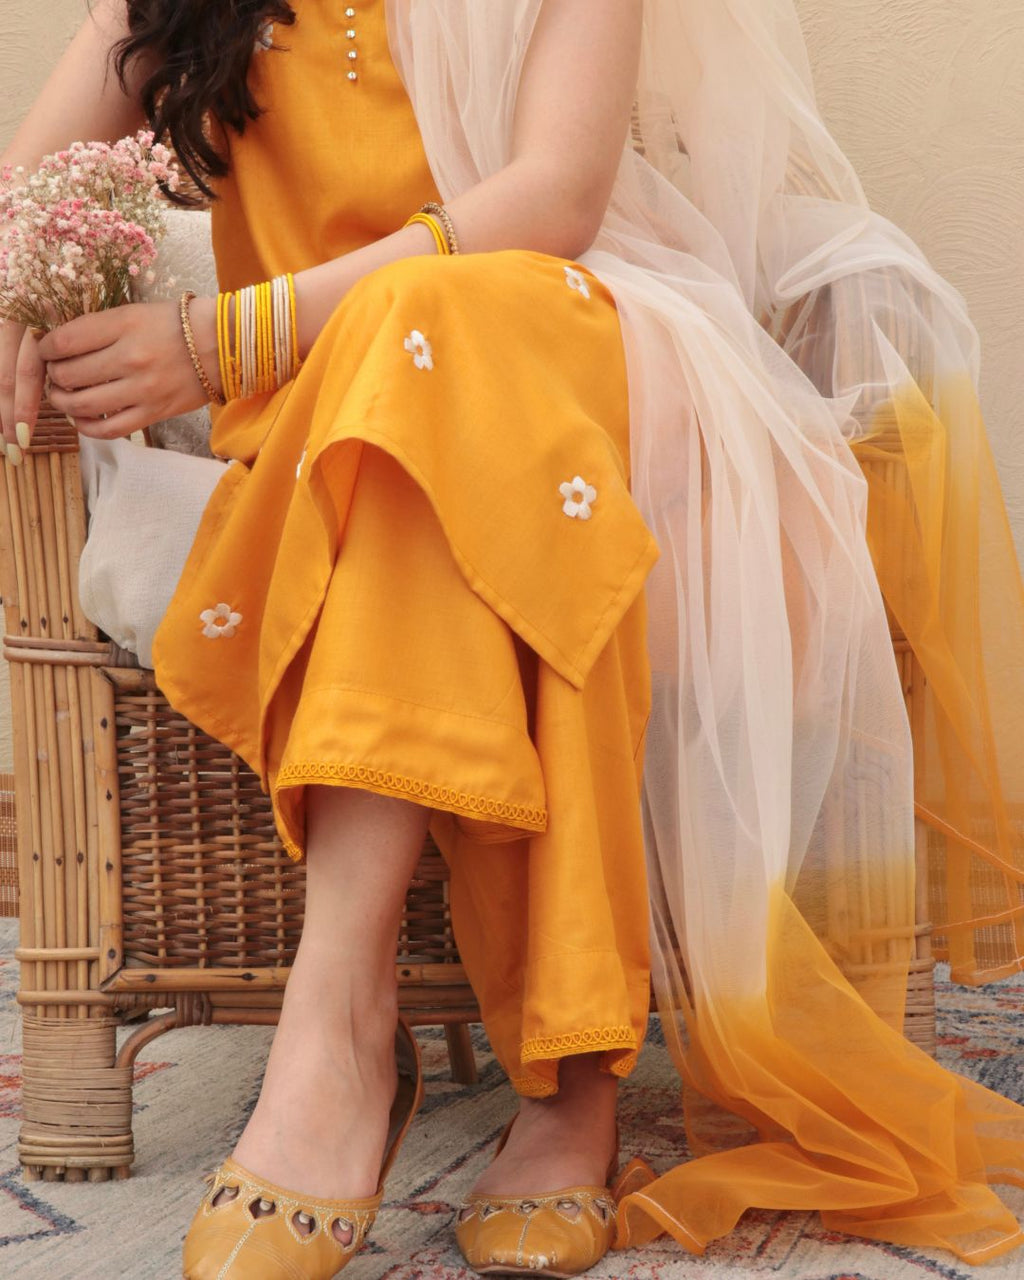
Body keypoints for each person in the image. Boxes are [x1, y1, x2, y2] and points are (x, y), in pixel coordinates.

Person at [2, 2, 1023, 1278]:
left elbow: (552, 198)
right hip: (329, 430)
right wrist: (21, 297)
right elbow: (21, 194)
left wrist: (229, 339)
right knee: (460, 488)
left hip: (571, 352)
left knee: (441, 354)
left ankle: (341, 1025)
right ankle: (565, 1081)